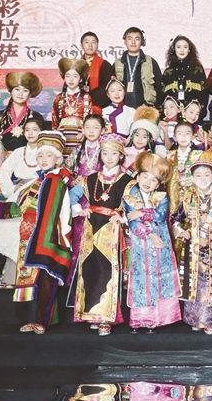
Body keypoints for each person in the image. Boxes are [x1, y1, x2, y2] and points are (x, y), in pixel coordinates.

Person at [0, 71, 44, 276]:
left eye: (25, 90)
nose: (20, 93)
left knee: (19, 216)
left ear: (30, 94)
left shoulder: (36, 118)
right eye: (17, 89)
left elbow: (42, 147)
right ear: (10, 92)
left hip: (25, 169)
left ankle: (16, 267)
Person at [72, 133, 130, 336]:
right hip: (91, 226)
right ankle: (90, 314)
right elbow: (72, 195)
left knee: (108, 270)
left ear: (121, 156)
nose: (109, 157)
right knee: (90, 267)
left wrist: (124, 217)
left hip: (111, 229)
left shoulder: (127, 180)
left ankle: (106, 317)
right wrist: (78, 209)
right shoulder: (90, 178)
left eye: (114, 153)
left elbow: (135, 203)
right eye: (105, 153)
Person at [14, 131, 72, 334]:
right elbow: (22, 207)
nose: (44, 159)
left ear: (58, 158)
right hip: (29, 236)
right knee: (30, 279)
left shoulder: (57, 180)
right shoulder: (37, 181)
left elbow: (60, 212)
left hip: (47, 235)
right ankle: (31, 319)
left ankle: (42, 320)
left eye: (49, 155)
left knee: (44, 277)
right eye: (40, 155)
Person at [122, 152, 181, 333]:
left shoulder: (161, 197)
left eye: (153, 180)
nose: (148, 182)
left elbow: (161, 215)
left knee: (159, 278)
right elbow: (133, 223)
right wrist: (149, 235)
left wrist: (141, 213)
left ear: (158, 184)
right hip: (141, 244)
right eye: (145, 176)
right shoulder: (129, 197)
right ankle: (139, 320)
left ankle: (158, 318)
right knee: (141, 279)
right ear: (138, 176)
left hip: (161, 242)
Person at [0, 117, 42, 290]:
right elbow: (3, 172)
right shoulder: (19, 152)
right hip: (21, 194)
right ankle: (10, 277)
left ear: (41, 132)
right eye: (27, 130)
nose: (30, 133)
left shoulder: (46, 150)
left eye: (35, 129)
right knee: (15, 234)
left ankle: (34, 279)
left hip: (40, 194)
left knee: (36, 234)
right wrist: (11, 190)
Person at [173, 161, 212, 335]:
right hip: (192, 249)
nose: (203, 179)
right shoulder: (187, 197)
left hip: (211, 248)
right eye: (198, 175)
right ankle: (194, 319)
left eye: (207, 175)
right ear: (192, 178)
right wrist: (181, 231)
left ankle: (208, 321)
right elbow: (175, 219)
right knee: (193, 284)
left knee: (208, 285)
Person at [64, 113, 104, 305]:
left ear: (103, 130)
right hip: (79, 201)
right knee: (78, 241)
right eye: (87, 127)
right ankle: (74, 286)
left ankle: (95, 286)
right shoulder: (78, 150)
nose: (91, 131)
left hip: (99, 199)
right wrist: (73, 180)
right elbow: (66, 171)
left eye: (95, 127)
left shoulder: (105, 149)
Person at [113, 27, 163, 110]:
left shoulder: (150, 62)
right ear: (125, 41)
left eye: (137, 39)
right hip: (122, 108)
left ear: (141, 41)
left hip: (145, 108)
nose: (133, 42)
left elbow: (159, 86)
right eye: (130, 39)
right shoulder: (118, 63)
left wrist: (157, 107)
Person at [51, 58, 93, 153]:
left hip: (79, 136)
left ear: (81, 79)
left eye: (75, 76)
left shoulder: (86, 97)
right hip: (62, 137)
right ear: (64, 78)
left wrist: (84, 134)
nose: (71, 79)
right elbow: (55, 121)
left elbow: (89, 120)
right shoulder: (59, 98)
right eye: (68, 76)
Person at [161, 35, 207, 111]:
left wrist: (199, 112)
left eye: (185, 47)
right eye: (178, 47)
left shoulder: (197, 69)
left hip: (192, 114)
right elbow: (162, 96)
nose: (182, 50)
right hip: (172, 115)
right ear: (173, 49)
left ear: (189, 50)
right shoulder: (168, 72)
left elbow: (204, 93)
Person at [167, 120, 203, 211]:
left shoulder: (199, 155)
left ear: (193, 136)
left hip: (192, 194)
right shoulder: (169, 156)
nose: (183, 137)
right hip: (173, 194)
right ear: (174, 137)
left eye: (187, 133)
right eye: (180, 134)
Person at [79, 31, 114, 111]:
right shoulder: (76, 65)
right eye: (87, 42)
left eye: (93, 42)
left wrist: (89, 97)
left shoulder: (105, 65)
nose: (90, 45)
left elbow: (108, 86)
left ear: (97, 45)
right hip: (79, 106)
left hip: (99, 106)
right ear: (81, 46)